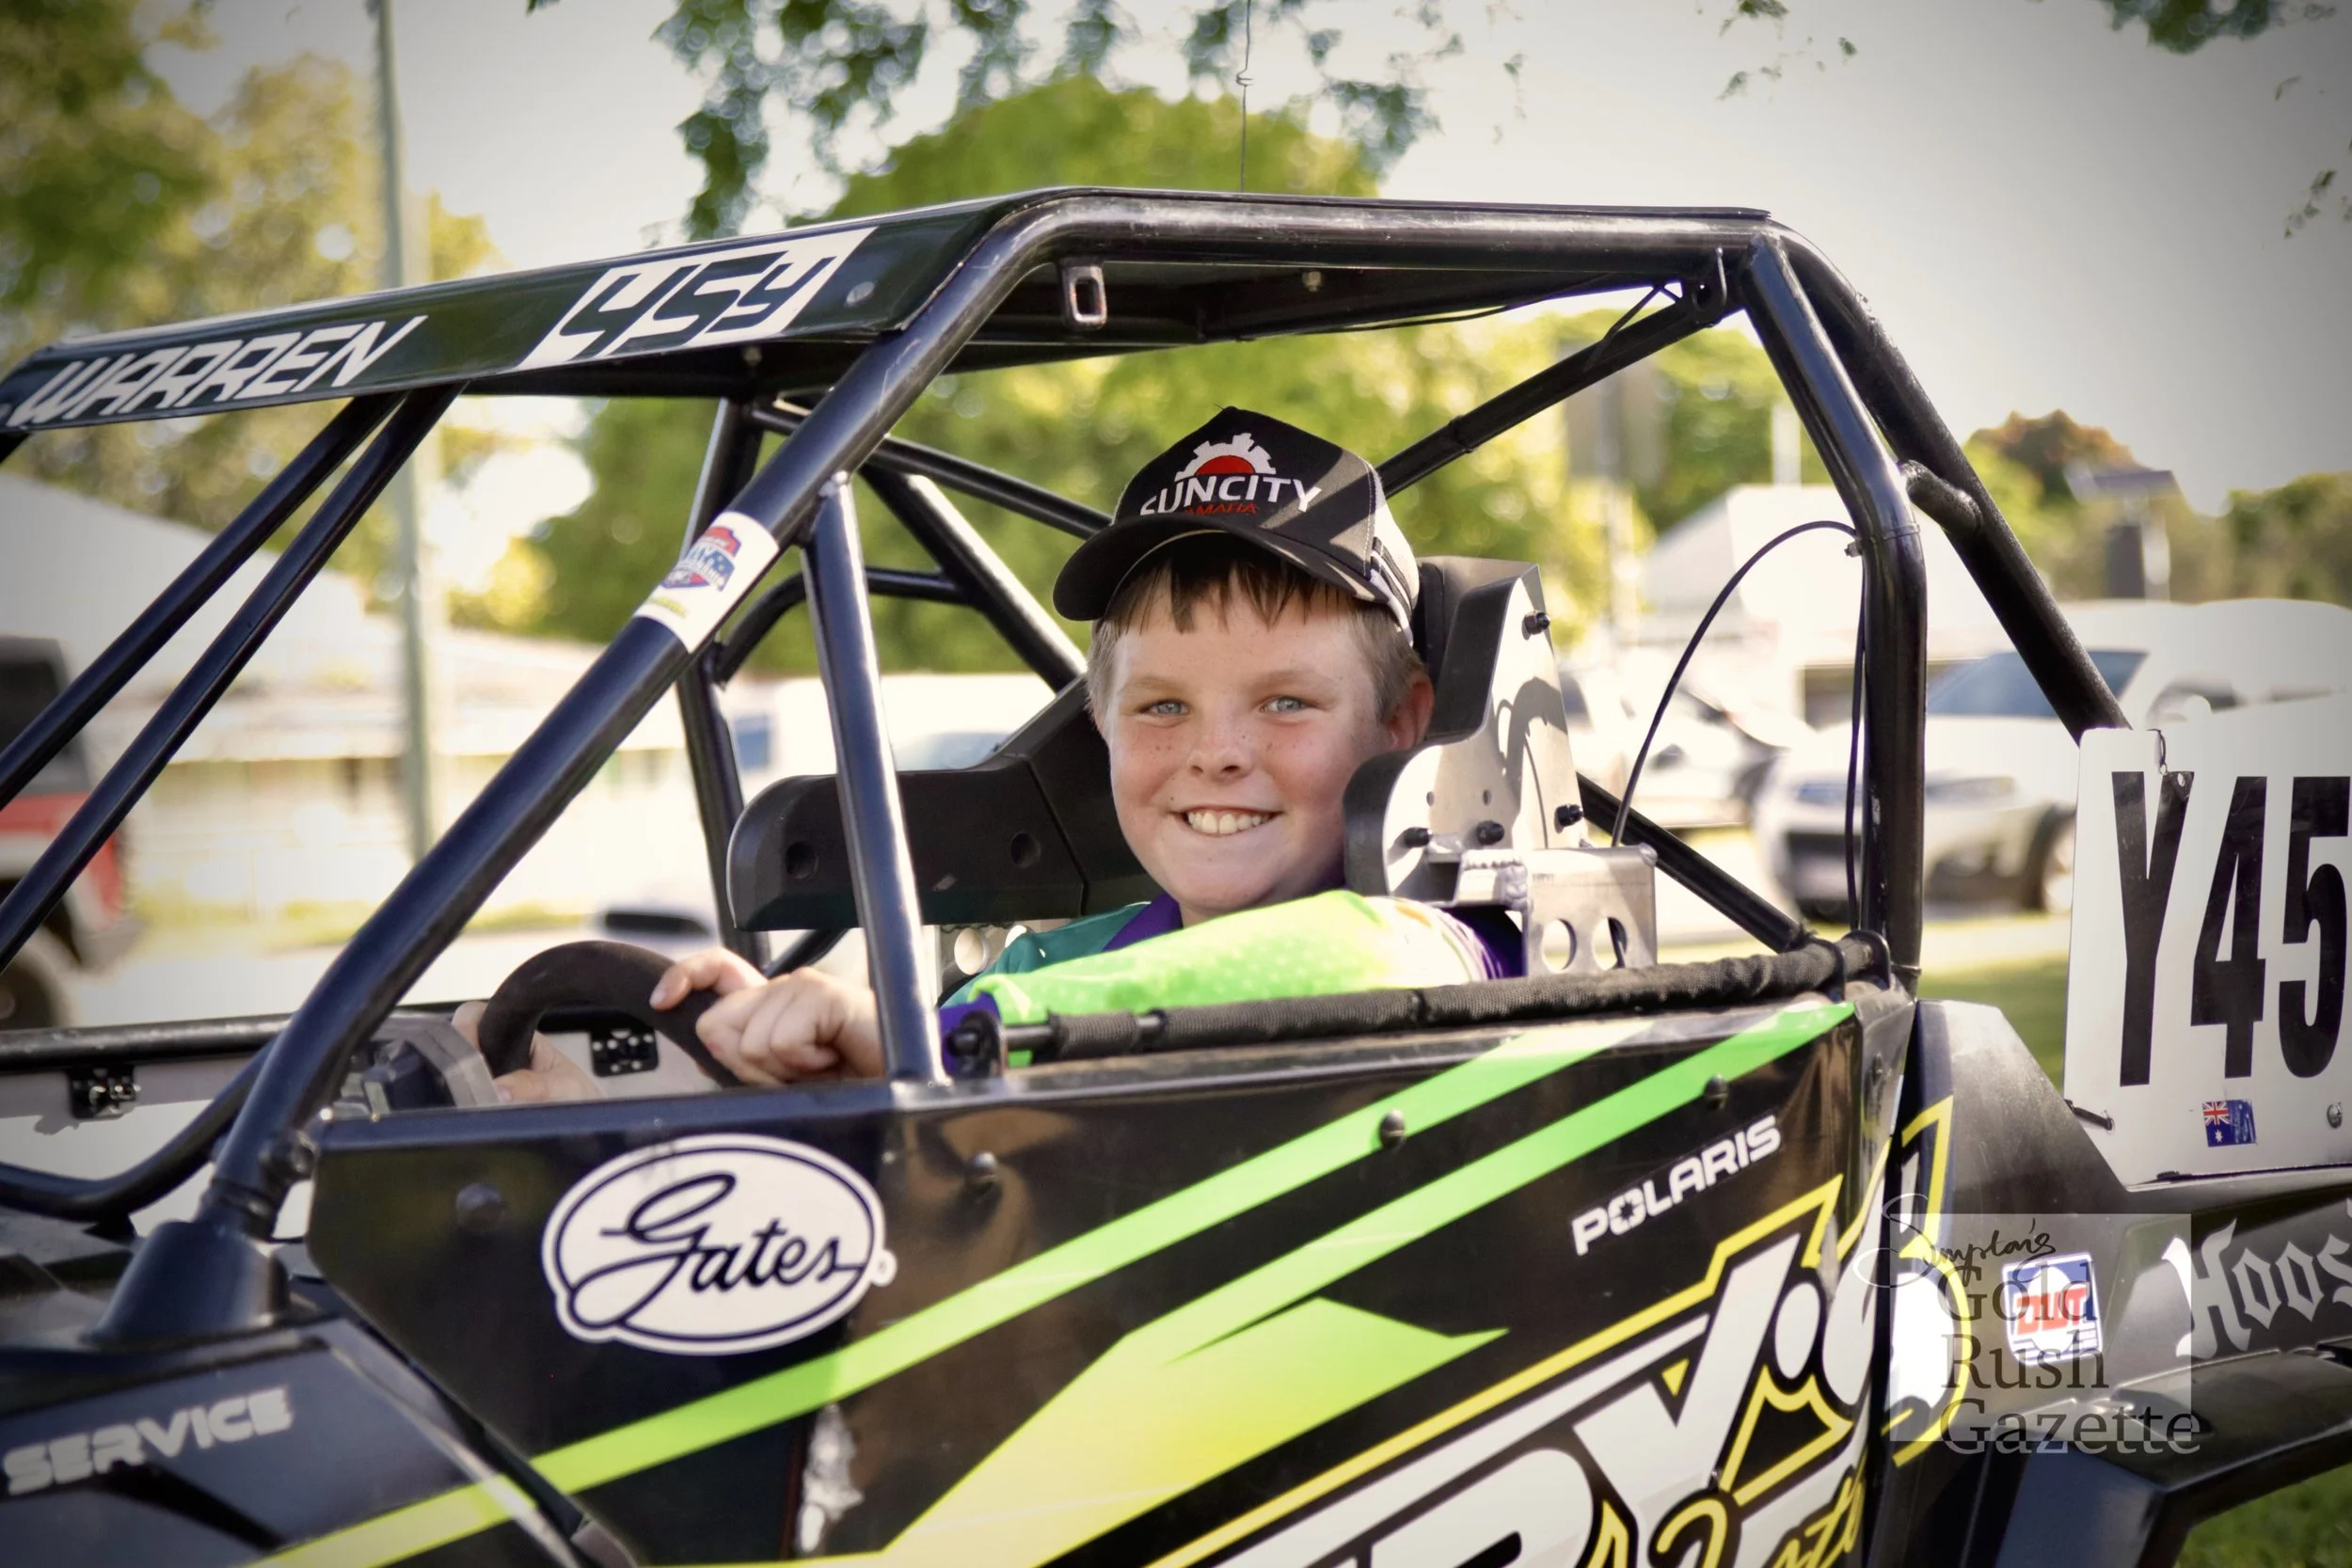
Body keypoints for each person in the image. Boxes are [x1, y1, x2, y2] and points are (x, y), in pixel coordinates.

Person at [477, 408, 1519, 1101]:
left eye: (1285, 701)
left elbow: (1353, 960)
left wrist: (927, 1037)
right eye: (1161, 706)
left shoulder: (1450, 947)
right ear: (1101, 721)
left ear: (1401, 720)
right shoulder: (1047, 966)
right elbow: (927, 1145)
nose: (1216, 753)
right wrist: (763, 1055)